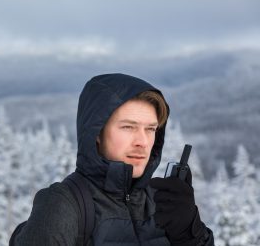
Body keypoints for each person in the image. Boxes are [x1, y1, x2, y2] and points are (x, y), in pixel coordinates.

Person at [11, 73, 214, 245]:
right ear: (96, 133)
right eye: (128, 127)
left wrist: (190, 233)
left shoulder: (161, 201)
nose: (142, 142)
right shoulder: (63, 205)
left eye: (150, 129)